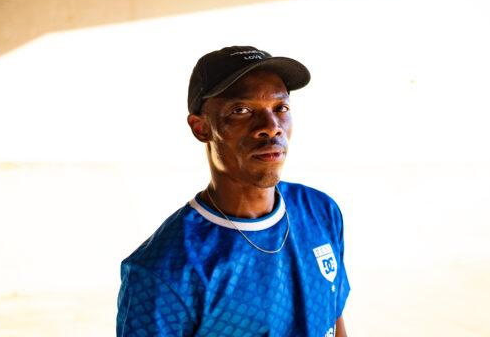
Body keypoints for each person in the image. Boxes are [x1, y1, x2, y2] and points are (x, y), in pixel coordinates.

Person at [116, 46, 350, 336]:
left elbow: (334, 318)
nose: (270, 127)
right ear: (201, 128)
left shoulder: (320, 211)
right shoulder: (165, 271)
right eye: (241, 111)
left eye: (281, 108)